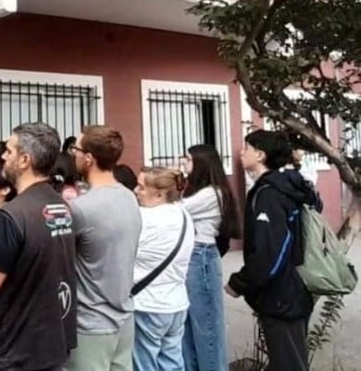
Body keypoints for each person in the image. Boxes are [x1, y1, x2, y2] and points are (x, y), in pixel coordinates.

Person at [0, 122, 76, 370]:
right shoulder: (59, 207)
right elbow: (22, 244)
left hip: (9, 353)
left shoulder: (11, 216)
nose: (2, 157)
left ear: (25, 160)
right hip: (46, 348)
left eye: (9, 151)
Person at [226, 130, 320, 371]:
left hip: (282, 295)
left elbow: (271, 252)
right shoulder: (285, 186)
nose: (240, 152)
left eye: (246, 148)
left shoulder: (269, 194)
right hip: (293, 289)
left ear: (260, 154)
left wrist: (240, 282)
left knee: (289, 364)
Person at [66, 126, 142, 371]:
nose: (73, 154)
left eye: (76, 149)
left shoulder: (81, 208)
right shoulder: (129, 197)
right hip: (124, 318)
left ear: (89, 158)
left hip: (91, 325)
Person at [180, 144, 239, 371]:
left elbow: (177, 209)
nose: (183, 164)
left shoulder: (211, 194)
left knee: (206, 329)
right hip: (192, 258)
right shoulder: (199, 191)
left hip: (201, 258)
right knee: (188, 331)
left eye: (188, 160)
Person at [132, 167, 195, 371]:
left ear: (159, 194)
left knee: (144, 364)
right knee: (173, 362)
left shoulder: (146, 219)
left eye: (141, 187)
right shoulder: (184, 215)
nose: (135, 190)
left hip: (148, 303)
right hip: (176, 303)